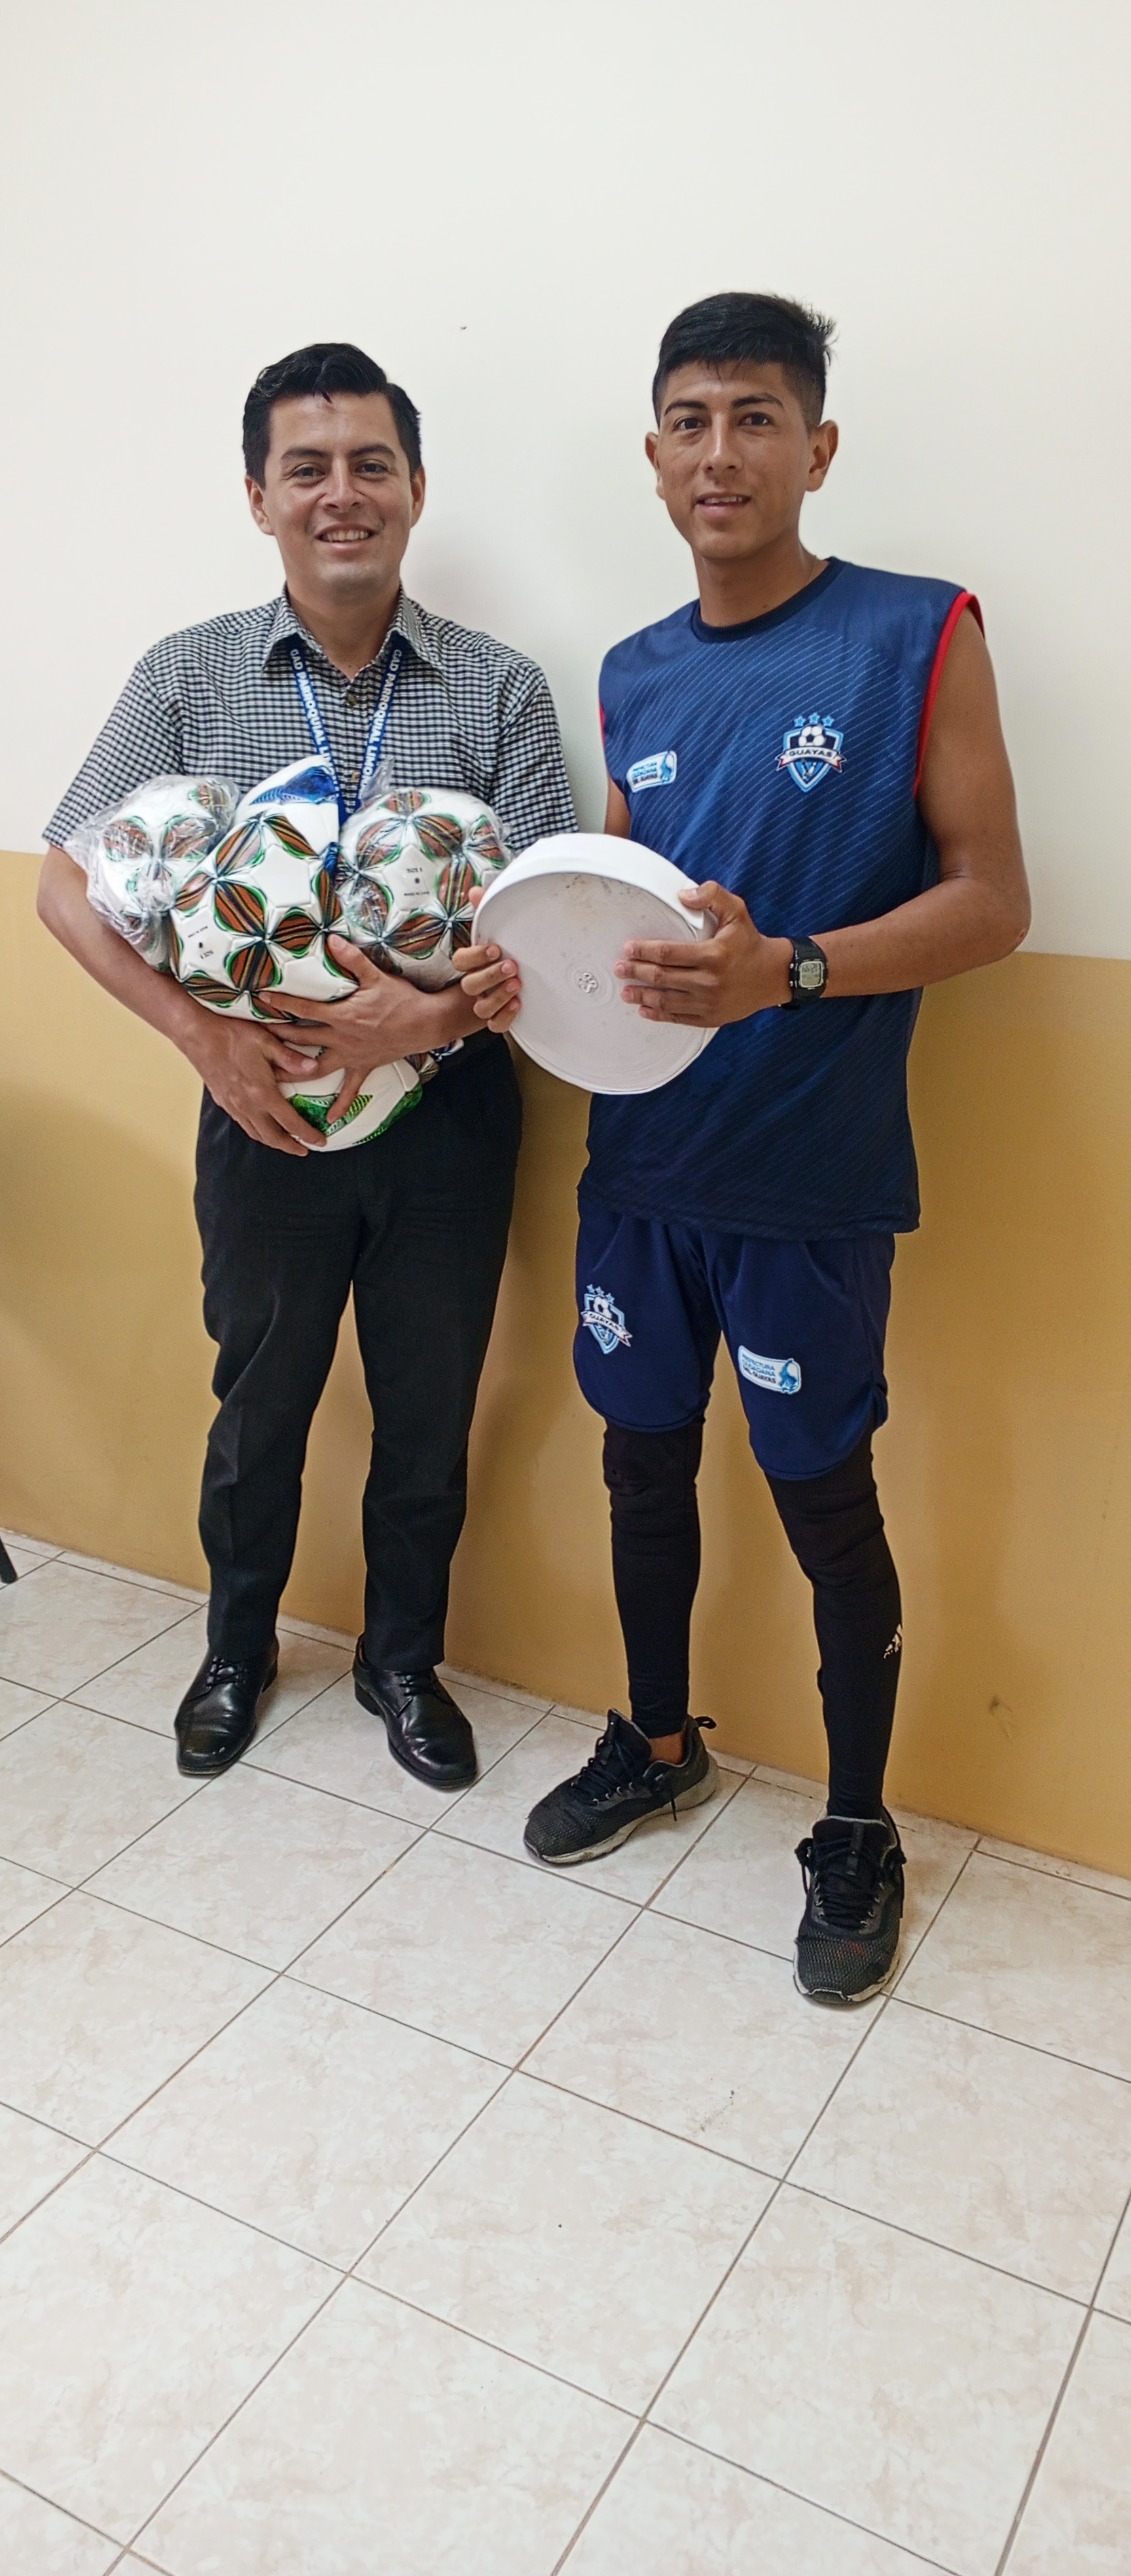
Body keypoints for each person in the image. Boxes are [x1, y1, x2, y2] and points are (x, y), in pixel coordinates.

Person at [474, 291, 1030, 2003]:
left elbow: (995, 901)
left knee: (823, 1504)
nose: (721, 453)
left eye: (757, 417)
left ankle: (857, 1827)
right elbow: (613, 922)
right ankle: (659, 1743)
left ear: (818, 447)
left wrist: (784, 969)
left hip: (807, 1182)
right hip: (644, 1171)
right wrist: (519, 981)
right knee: (641, 1469)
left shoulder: (915, 632)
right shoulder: (633, 671)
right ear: (656, 458)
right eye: (691, 422)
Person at [39, 340, 573, 1787]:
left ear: (415, 487)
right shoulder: (187, 675)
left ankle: (404, 1663)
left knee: (430, 1405)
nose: (343, 493)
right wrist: (203, 1037)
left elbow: (541, 927)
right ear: (260, 496)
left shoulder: (500, 689)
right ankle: (236, 1648)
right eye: (309, 468)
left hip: (451, 1121)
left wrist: (429, 1023)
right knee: (260, 1397)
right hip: (259, 1106)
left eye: (371, 465)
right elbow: (67, 886)